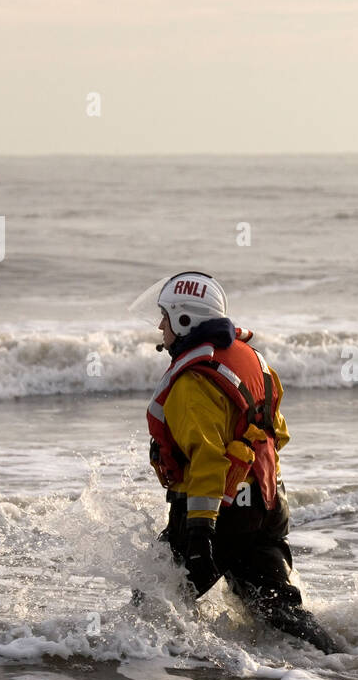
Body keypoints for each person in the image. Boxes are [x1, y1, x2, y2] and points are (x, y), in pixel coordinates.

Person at [143, 271, 343, 654]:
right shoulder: (254, 360)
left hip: (218, 516)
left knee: (152, 605)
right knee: (280, 613)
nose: (160, 326)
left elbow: (208, 461)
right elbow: (277, 432)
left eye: (165, 317)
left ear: (185, 320)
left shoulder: (191, 383)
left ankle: (135, 671)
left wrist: (201, 534)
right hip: (268, 503)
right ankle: (340, 665)